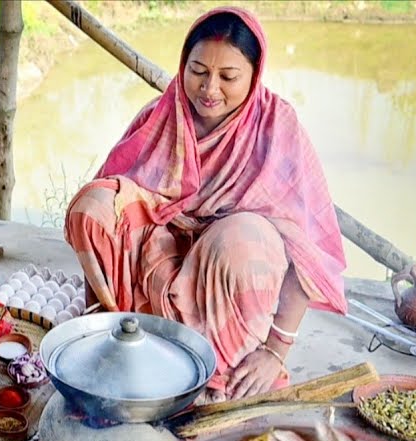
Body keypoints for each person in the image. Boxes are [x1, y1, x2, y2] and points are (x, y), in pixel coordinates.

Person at [65, 7, 347, 401]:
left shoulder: (276, 126)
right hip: (161, 257)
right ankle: (121, 334)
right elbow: (114, 205)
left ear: (255, 74)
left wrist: (274, 351)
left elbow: (307, 251)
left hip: (225, 267)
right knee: (93, 205)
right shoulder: (162, 115)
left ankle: (219, 369)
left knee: (241, 237)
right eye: (197, 71)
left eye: (228, 77)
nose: (209, 89)